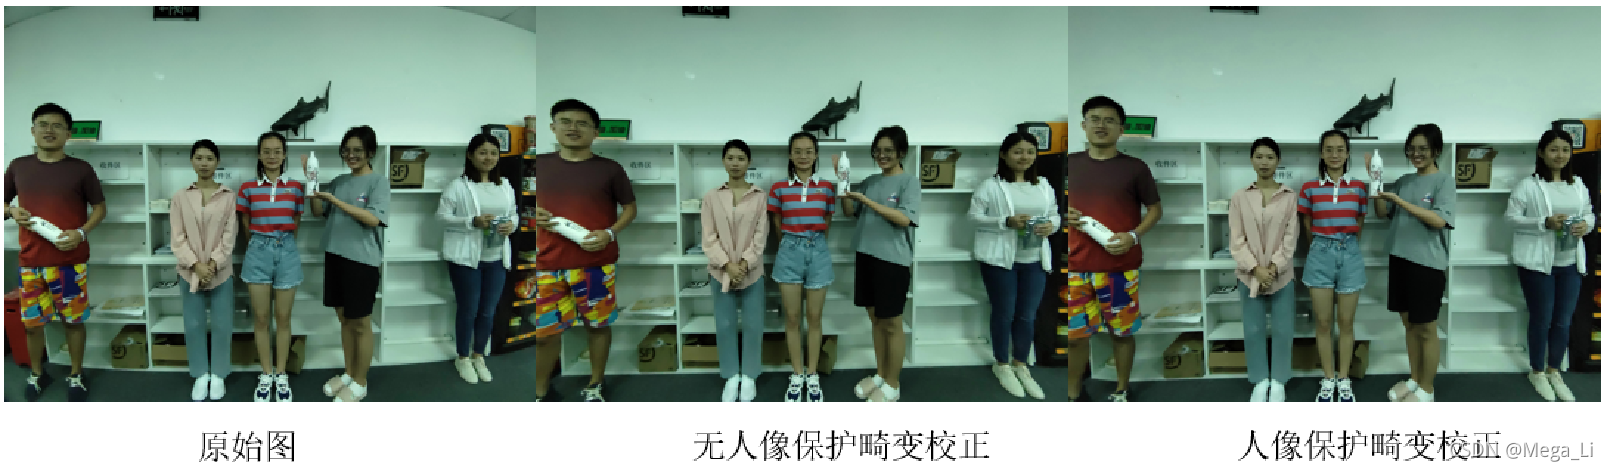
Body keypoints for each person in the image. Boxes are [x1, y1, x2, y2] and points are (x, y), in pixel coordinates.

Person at [527, 99, 638, 402]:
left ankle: (595, 384)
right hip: (547, 264)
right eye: (565, 121)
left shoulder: (610, 169)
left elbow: (630, 209)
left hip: (596, 264)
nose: (573, 128)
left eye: (582, 123)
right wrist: (529, 214)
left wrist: (610, 233)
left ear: (595, 132)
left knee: (598, 326)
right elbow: (516, 206)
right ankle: (540, 392)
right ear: (553, 127)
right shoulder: (537, 165)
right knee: (545, 332)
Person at [5, 103, 107, 402]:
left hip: (70, 262)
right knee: (32, 325)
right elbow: (3, 203)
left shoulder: (81, 169)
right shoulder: (18, 166)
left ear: (68, 133)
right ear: (32, 130)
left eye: (57, 125)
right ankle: (37, 374)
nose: (49, 130)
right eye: (43, 124)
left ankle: (76, 375)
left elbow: (100, 209)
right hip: (31, 262)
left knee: (73, 322)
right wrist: (11, 211)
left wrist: (81, 233)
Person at [1063, 96, 1162, 402]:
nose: (1101, 125)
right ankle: (1073, 394)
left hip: (1120, 268)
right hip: (1076, 267)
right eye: (1094, 119)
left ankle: (1121, 389)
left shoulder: (1135, 168)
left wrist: (1133, 236)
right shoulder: (1069, 165)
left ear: (1121, 129)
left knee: (1122, 333)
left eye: (1109, 120)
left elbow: (1155, 210)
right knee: (1076, 336)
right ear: (1083, 125)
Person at [967, 132, 1058, 399]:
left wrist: (1051, 226)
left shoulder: (1043, 185)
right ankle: (1002, 364)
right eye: (1017, 151)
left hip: (1035, 260)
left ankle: (1020, 364)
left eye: (1030, 152)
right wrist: (1005, 221)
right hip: (1000, 261)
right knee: (1004, 313)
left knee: (1027, 315)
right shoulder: (990, 186)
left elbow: (1055, 214)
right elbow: (973, 217)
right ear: (1004, 154)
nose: (1024, 157)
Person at [1506, 129, 1592, 402]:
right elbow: (1511, 218)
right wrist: (1543, 222)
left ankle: (1555, 371)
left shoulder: (1578, 184)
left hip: (1570, 263)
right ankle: (1537, 371)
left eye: (1565, 150)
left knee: (1563, 321)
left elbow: (1590, 214)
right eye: (1554, 149)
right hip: (1537, 265)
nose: (1560, 155)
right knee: (1541, 320)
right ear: (1542, 153)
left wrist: (1586, 225)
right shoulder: (1527, 185)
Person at [306, 126, 390, 402]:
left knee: (361, 322)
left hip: (362, 261)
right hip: (335, 256)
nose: (351, 155)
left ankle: (361, 382)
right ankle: (349, 373)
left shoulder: (378, 182)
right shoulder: (339, 181)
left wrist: (334, 199)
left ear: (370, 152)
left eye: (357, 150)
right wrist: (312, 186)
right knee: (344, 319)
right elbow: (319, 212)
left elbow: (373, 219)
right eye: (346, 150)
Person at [1373, 124, 1455, 403]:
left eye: (1423, 149)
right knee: (1409, 325)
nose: (1416, 154)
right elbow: (1383, 213)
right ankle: (1415, 379)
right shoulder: (1405, 180)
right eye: (1412, 149)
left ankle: (1427, 389)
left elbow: (1439, 220)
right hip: (1399, 260)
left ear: (1436, 150)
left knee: (1427, 328)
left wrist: (1400, 201)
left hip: (1427, 265)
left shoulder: (1444, 181)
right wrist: (1377, 186)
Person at [842, 126, 922, 403]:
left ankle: (893, 383)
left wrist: (866, 199)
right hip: (865, 256)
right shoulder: (871, 181)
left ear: (901, 152)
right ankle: (881, 373)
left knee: (892, 323)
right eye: (878, 151)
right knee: (876, 320)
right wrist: (844, 188)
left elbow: (904, 219)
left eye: (888, 150)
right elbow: (851, 213)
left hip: (893, 260)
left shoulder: (909, 182)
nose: (882, 155)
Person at [438, 133, 517, 385]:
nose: (488, 158)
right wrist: (471, 221)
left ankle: (478, 355)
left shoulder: (504, 185)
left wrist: (511, 225)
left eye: (493, 153)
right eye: (482, 152)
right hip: (466, 259)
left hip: (497, 258)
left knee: (487, 311)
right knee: (468, 310)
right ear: (471, 156)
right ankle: (462, 357)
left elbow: (513, 214)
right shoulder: (457, 186)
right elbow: (442, 217)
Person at [1296, 130, 1366, 402]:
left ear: (1347, 153)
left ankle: (1343, 378)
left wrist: (1345, 245)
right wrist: (1323, 246)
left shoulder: (1359, 187)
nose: (1334, 155)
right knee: (1323, 322)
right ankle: (1328, 379)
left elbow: (1360, 221)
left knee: (1346, 323)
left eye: (1340, 149)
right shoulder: (1309, 188)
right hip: (1320, 255)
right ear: (1321, 153)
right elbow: (1307, 224)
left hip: (1350, 254)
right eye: (1329, 149)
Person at [1228, 138, 1299, 402]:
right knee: (1253, 329)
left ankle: (1278, 380)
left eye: (1270, 157)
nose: (1264, 162)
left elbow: (1291, 237)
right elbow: (1236, 239)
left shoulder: (1290, 197)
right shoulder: (1240, 197)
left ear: (1278, 161)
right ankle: (1259, 380)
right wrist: (1255, 268)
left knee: (1283, 328)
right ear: (1251, 160)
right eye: (1259, 156)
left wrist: (1274, 267)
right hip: (1249, 275)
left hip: (1282, 274)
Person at [767, 132, 835, 402]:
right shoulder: (779, 188)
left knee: (815, 318)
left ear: (816, 155)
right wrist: (792, 245)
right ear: (790, 154)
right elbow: (777, 223)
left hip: (818, 250)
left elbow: (827, 221)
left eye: (809, 151)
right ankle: (797, 374)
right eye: (798, 151)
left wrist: (813, 244)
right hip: (789, 252)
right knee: (793, 318)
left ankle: (812, 374)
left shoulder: (827, 187)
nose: (803, 156)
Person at [170, 139, 239, 401]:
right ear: (191, 161)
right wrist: (195, 265)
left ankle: (219, 374)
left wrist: (212, 264)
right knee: (194, 323)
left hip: (220, 270)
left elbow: (230, 236)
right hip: (189, 270)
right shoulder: (180, 196)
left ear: (217, 162)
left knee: (222, 323)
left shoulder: (228, 196)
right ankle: (200, 374)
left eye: (209, 158)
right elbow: (177, 237)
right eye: (199, 157)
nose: (204, 163)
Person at [701, 139, 769, 402]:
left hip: (751, 271)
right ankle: (731, 376)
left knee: (753, 323)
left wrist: (744, 264)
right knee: (725, 323)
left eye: (741, 158)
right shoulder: (711, 196)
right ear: (723, 161)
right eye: (730, 158)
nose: (735, 163)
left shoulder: (759, 196)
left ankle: (749, 375)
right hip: (721, 271)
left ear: (748, 162)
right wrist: (727, 265)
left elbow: (761, 235)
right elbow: (708, 237)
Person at [238, 131, 304, 402]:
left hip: (287, 250)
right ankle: (266, 374)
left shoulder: (296, 187)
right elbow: (245, 223)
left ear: (284, 154)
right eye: (266, 151)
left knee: (284, 318)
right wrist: (260, 245)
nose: (272, 156)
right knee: (262, 318)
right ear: (259, 154)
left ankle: (281, 373)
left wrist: (282, 243)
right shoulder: (247, 188)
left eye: (277, 151)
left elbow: (297, 220)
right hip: (257, 252)